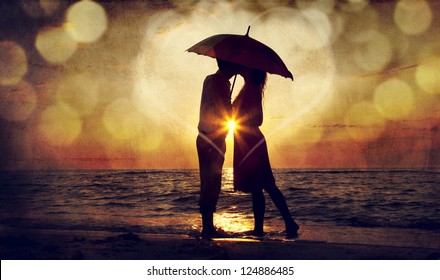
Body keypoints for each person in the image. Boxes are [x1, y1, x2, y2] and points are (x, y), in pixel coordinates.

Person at [232, 67, 300, 238]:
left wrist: (239, 116)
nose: (241, 67)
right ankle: (260, 228)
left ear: (251, 71)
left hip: (252, 142)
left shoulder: (252, 89)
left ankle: (289, 222)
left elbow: (258, 119)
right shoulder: (247, 88)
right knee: (257, 187)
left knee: (267, 184)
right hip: (245, 141)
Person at [197, 58, 242, 239]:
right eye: (234, 64)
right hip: (213, 138)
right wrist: (232, 106)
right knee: (213, 182)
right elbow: (224, 111)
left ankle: (207, 225)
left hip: (203, 137)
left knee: (207, 181)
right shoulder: (219, 83)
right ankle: (208, 227)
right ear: (228, 65)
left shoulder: (209, 79)